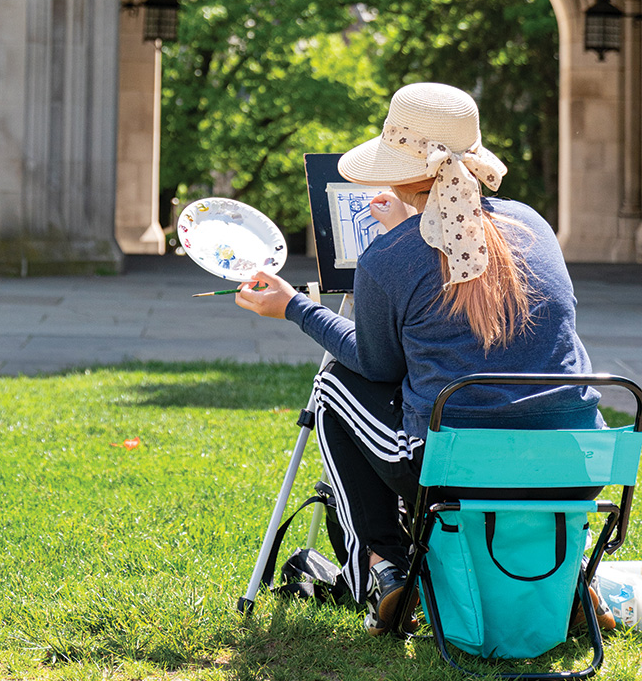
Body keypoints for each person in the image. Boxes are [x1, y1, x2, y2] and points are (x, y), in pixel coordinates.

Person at [234, 82, 604, 636]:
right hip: (574, 467)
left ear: (405, 172)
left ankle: (389, 569)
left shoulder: (388, 258)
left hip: (460, 473)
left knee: (334, 386)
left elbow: (377, 364)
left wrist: (295, 308)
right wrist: (407, 232)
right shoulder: (534, 225)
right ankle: (569, 575)